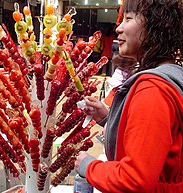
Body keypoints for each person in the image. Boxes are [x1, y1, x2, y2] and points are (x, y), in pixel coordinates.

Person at [74, 0, 183, 193]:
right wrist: (108, 118)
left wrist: (89, 166)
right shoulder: (171, 75)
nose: (119, 28)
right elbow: (155, 142)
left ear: (153, 26)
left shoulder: (153, 89)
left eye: (128, 19)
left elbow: (135, 180)